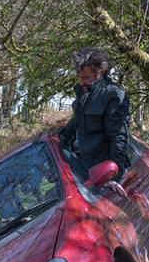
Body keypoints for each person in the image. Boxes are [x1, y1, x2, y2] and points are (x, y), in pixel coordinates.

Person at [56, 47, 131, 181]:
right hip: (81, 167)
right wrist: (58, 139)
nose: (81, 82)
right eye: (79, 78)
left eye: (86, 78)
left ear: (101, 72)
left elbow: (118, 139)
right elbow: (76, 121)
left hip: (102, 173)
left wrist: (113, 177)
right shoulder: (85, 93)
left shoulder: (114, 96)